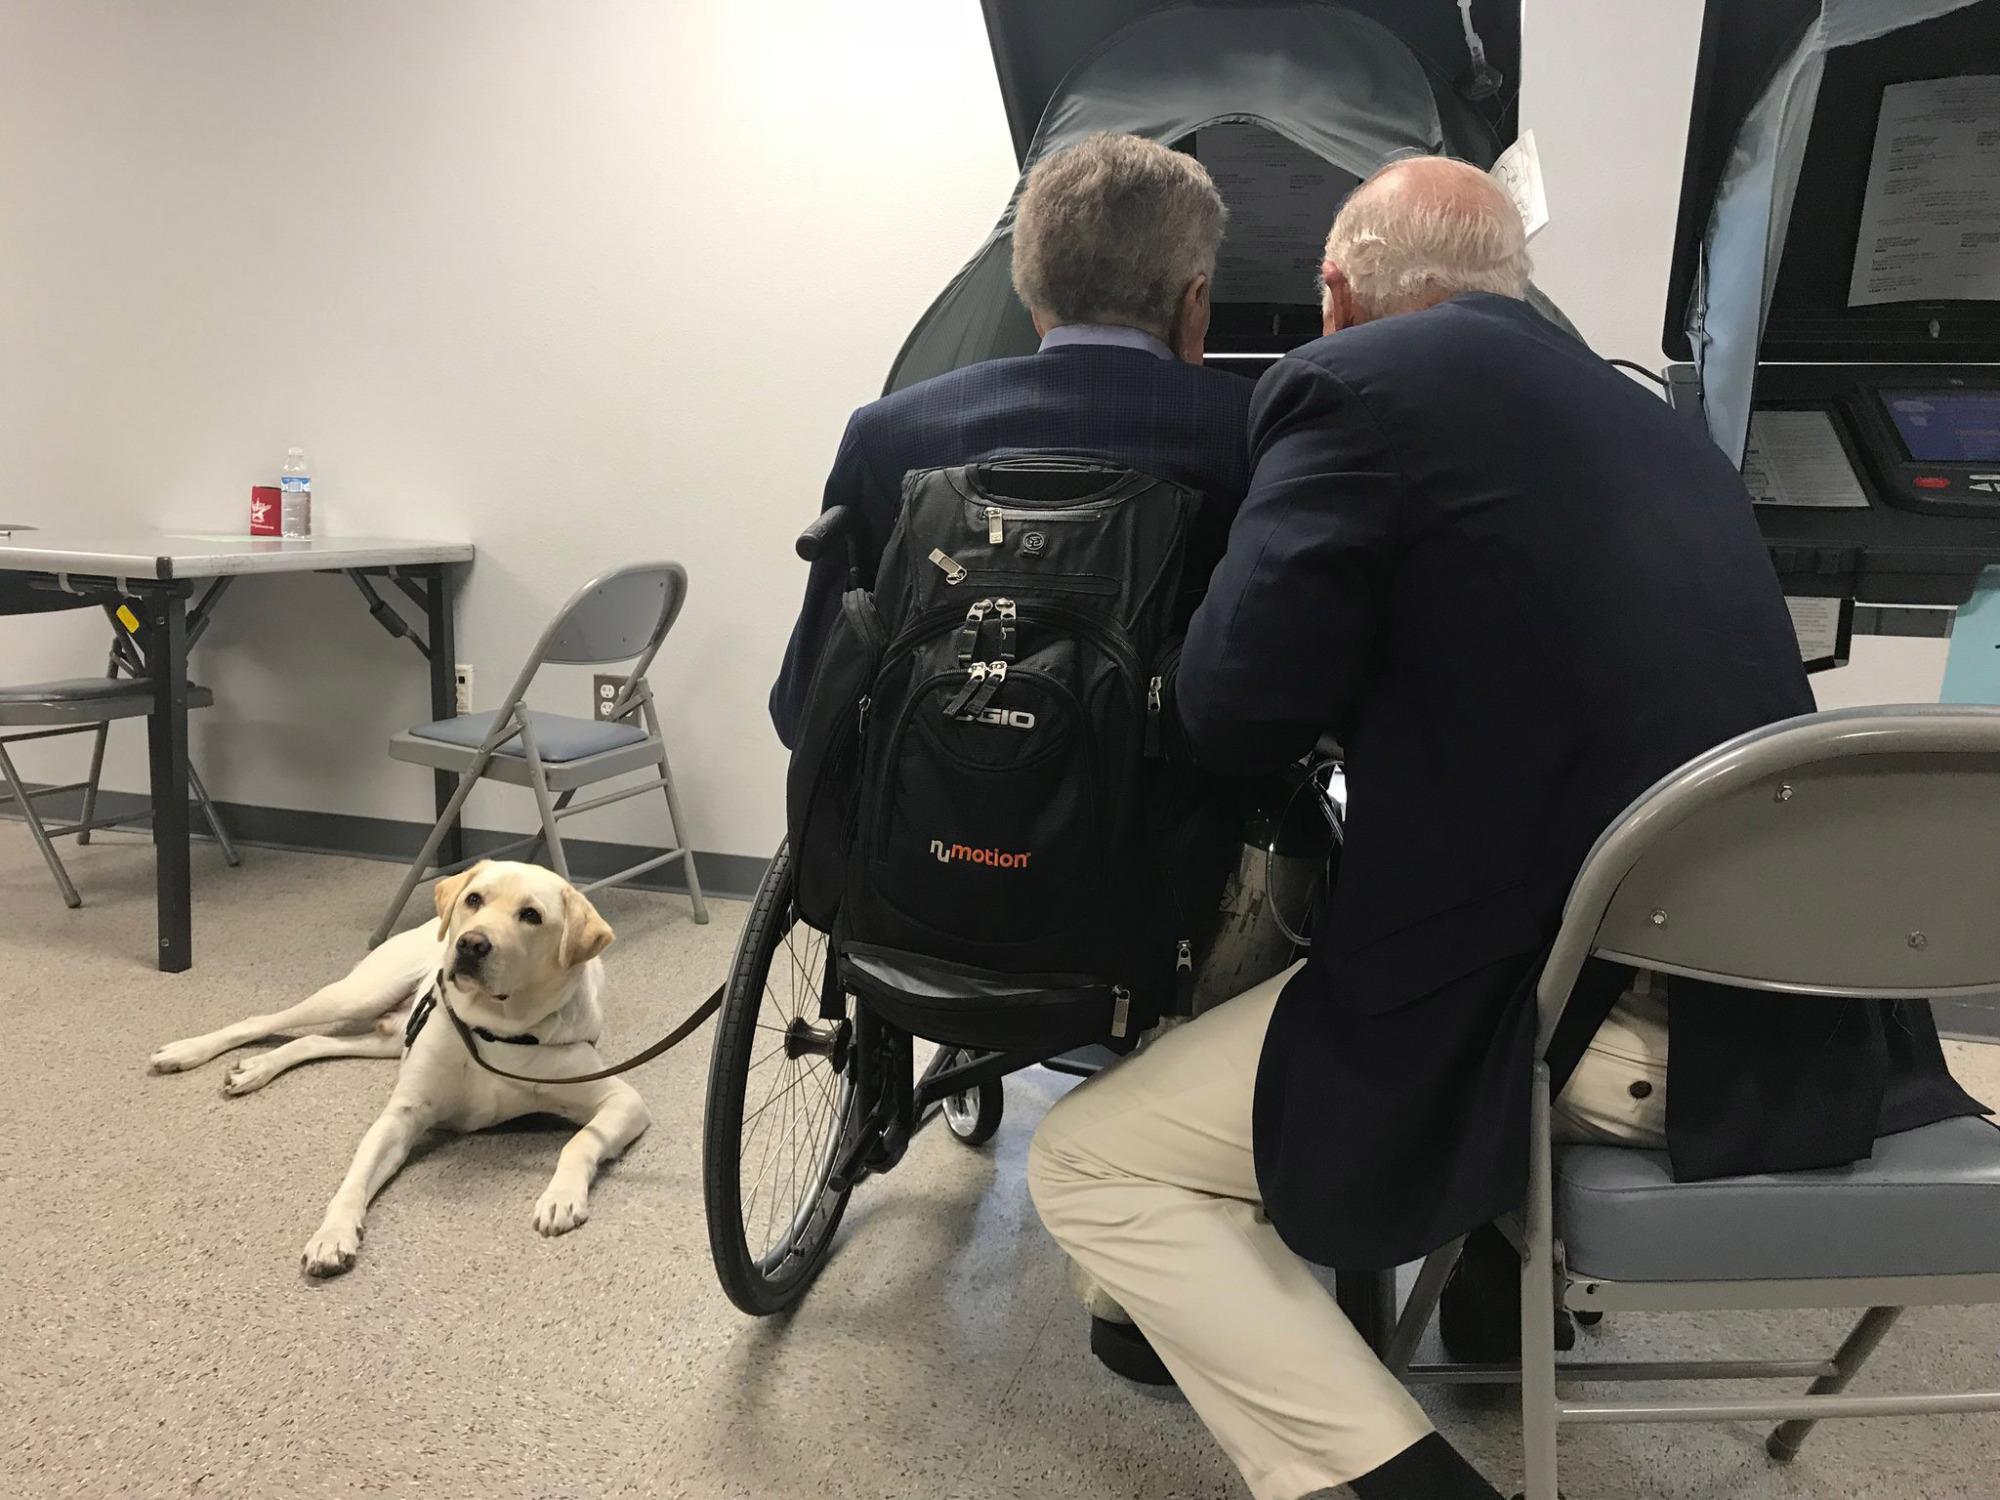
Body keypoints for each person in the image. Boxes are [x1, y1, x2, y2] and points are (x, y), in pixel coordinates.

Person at [1028, 156, 1985, 1500]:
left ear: (1333, 293)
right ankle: (1491, 1288)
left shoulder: (1343, 385)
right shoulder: (1654, 424)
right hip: (1816, 1024)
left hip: (1598, 1027)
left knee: (1091, 1164)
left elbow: (1230, 709)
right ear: (1512, 283)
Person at [769, 131, 1254, 746]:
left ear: (1032, 298)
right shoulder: (1256, 431)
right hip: (1173, 803)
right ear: (1197, 301)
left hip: (930, 802)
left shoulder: (888, 436)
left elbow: (803, 708)